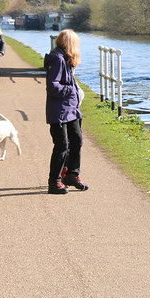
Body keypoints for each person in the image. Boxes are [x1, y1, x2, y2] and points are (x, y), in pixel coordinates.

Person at [45, 29, 89, 195]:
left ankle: (71, 174)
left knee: (77, 140)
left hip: (71, 109)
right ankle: (54, 181)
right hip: (59, 111)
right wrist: (71, 90)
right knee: (62, 145)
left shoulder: (66, 59)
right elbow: (53, 86)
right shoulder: (57, 59)